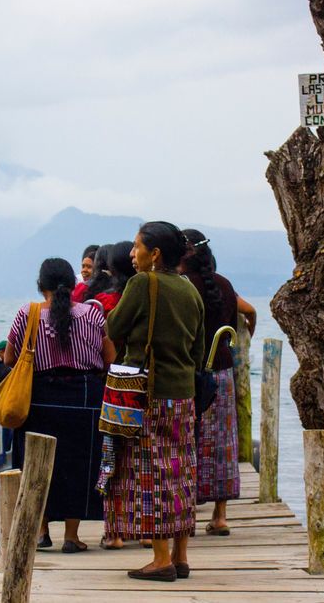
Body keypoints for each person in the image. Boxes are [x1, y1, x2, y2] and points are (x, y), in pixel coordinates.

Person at [102, 222, 205, 582]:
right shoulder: (190, 289)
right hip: (184, 394)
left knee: (152, 470)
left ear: (155, 254)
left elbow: (113, 329)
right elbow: (199, 348)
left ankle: (160, 560)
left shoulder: (143, 283)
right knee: (181, 470)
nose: (133, 253)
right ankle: (180, 555)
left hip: (148, 392)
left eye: (137, 246)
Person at [5, 258, 115, 553]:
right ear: (74, 284)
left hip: (39, 398)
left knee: (37, 464)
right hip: (84, 396)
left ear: (41, 286)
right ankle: (72, 535)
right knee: (79, 464)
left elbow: (9, 360)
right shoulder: (92, 315)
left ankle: (41, 532)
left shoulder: (26, 315)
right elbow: (109, 358)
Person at [179, 228, 247, 535]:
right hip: (222, 372)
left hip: (189, 373)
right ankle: (220, 515)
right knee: (221, 442)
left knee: (186, 442)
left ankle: (187, 513)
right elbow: (233, 330)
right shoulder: (225, 285)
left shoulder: (180, 288)